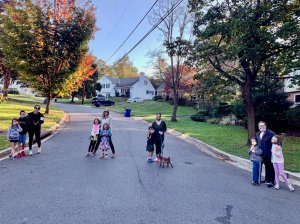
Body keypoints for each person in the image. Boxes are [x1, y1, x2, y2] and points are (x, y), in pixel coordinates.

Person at [256, 121, 275, 188]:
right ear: (258, 127)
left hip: (270, 154)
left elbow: (277, 142)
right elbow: (257, 143)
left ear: (266, 126)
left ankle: (271, 182)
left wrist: (275, 151)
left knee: (271, 167)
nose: (261, 127)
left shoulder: (271, 133)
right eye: (260, 126)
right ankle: (267, 179)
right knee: (266, 166)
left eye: (263, 125)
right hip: (262, 154)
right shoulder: (258, 134)